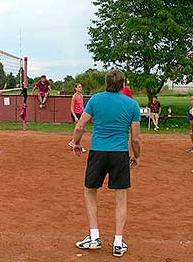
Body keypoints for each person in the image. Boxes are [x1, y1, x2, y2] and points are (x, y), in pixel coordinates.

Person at [73, 69, 141, 258]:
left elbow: (80, 126)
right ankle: (118, 242)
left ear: (106, 83)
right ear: (123, 84)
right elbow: (135, 139)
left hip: (98, 152)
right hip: (120, 154)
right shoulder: (132, 104)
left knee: (90, 191)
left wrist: (76, 143)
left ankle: (94, 236)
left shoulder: (95, 99)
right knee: (121, 196)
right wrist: (136, 156)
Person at [68, 83, 86, 152]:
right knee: (79, 130)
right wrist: (75, 117)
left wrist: (84, 113)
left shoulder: (81, 96)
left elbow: (82, 106)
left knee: (80, 130)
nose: (80, 88)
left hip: (81, 114)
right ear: (75, 88)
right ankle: (79, 145)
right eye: (79, 87)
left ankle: (72, 142)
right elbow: (71, 108)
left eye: (81, 87)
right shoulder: (74, 97)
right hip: (75, 114)